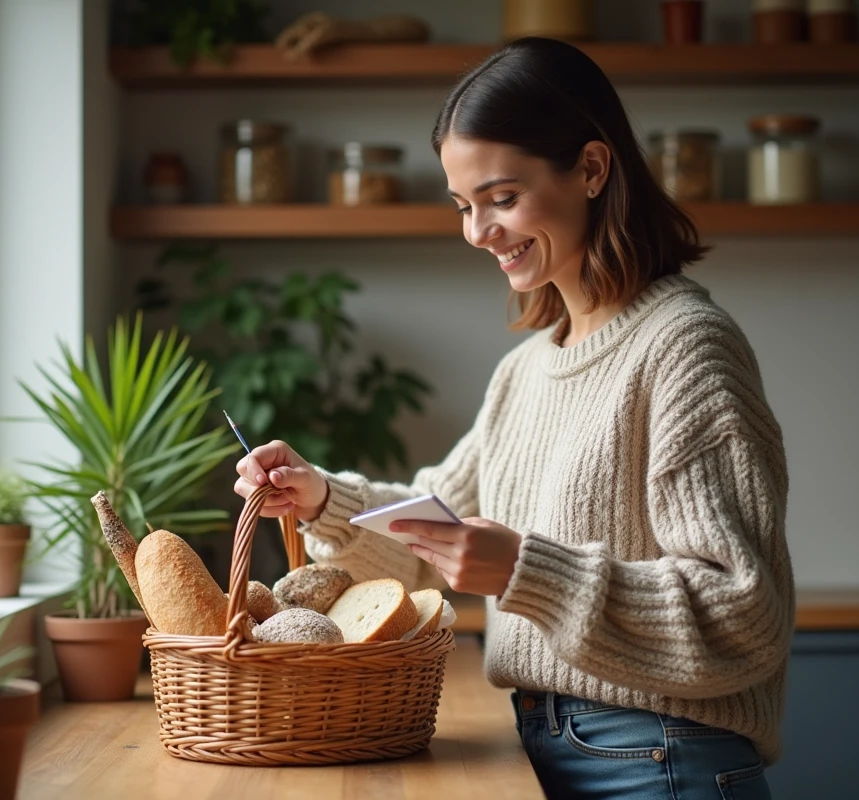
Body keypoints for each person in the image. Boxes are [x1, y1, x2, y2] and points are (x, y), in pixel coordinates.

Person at [234, 36, 793, 800]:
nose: (478, 231)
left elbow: (744, 616)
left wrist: (528, 572)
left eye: (502, 197)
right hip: (544, 743)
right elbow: (435, 538)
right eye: (464, 205)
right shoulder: (528, 369)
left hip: (659, 757)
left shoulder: (686, 347)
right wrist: (324, 497)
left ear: (593, 169)